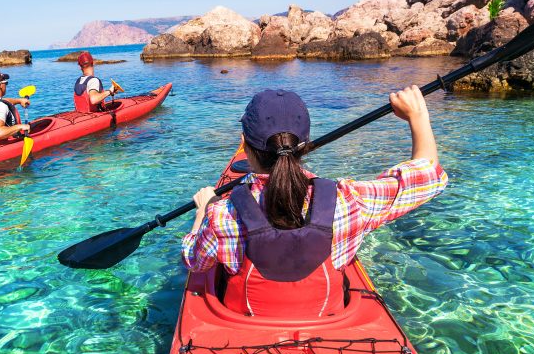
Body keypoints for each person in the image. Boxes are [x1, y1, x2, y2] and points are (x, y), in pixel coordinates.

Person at [182, 87, 447, 317]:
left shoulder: (221, 216)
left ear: (245, 146)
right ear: (306, 145)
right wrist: (417, 116)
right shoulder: (349, 201)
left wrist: (202, 213)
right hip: (327, 321)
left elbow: (195, 261)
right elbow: (428, 176)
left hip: (245, 322)